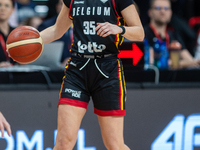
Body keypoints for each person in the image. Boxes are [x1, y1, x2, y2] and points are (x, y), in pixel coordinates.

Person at [40, 0, 144, 149]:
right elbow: (57, 30)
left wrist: (119, 29)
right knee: (63, 142)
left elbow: (139, 33)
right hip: (77, 68)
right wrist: (31, 40)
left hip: (107, 70)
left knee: (115, 144)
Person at [144, 0, 200, 69]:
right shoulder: (144, 33)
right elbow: (153, 62)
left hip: (172, 78)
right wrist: (184, 63)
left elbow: (190, 60)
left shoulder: (173, 34)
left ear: (171, 13)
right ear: (150, 12)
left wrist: (193, 62)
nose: (162, 11)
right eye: (158, 8)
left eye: (166, 8)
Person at [38, 0, 71, 67]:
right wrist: (27, 42)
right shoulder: (46, 25)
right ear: (57, 7)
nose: (64, 7)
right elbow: (56, 31)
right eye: (62, 4)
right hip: (57, 66)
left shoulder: (81, 24)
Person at [0, 0, 16, 67]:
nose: (2, 8)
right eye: (0, 5)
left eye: (7, 6)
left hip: (15, 73)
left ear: (12, 10)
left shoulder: (17, 33)